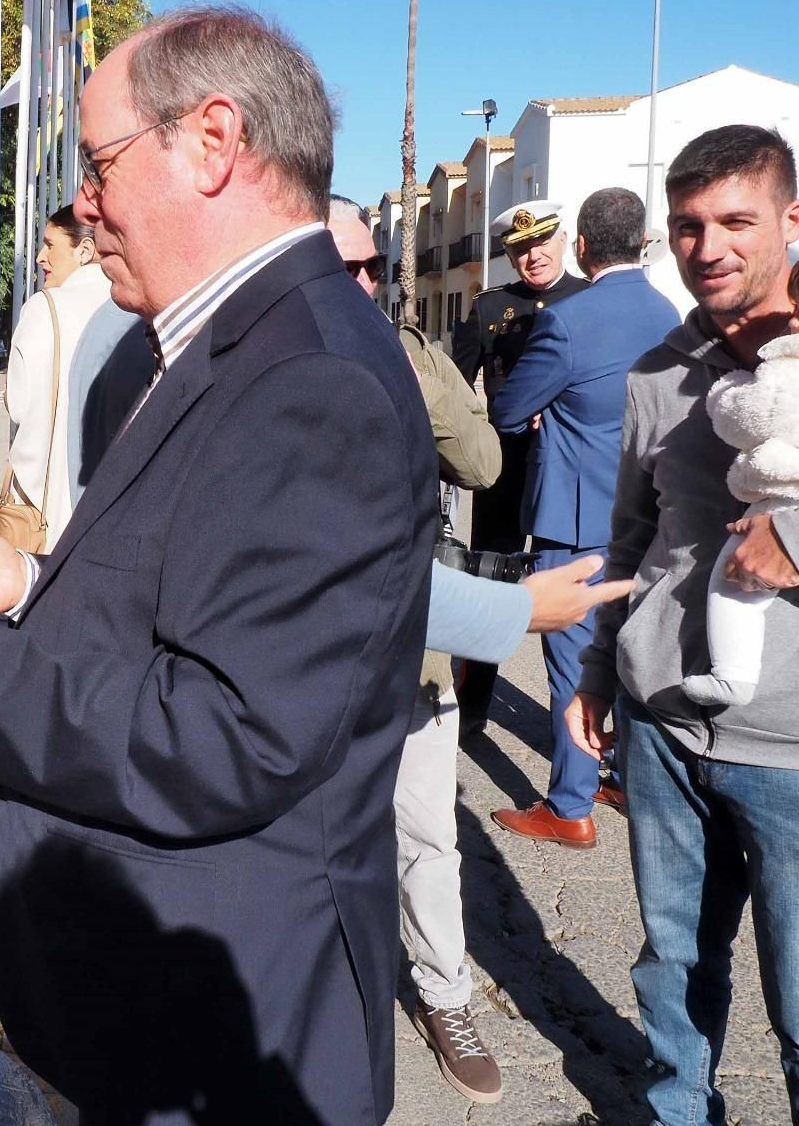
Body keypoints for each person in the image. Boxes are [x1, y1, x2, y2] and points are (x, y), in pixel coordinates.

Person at [0, 7, 436, 1125]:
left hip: (220, 1029)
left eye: (98, 164)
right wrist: (25, 588)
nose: (83, 203)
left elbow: (226, 733)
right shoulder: (216, 340)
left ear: (212, 140)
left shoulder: (307, 376)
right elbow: (190, 604)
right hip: (165, 998)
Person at [567, 124, 799, 1126]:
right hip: (662, 730)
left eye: (735, 221)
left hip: (791, 750)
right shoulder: (657, 371)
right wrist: (593, 675)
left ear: (791, 221)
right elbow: (629, 540)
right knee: (670, 969)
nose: (708, 246)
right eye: (687, 225)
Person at [332, 192, 507, 1103]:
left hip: (417, 647)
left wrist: (416, 371)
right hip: (308, 658)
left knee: (428, 834)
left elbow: (482, 464)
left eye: (371, 267)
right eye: (343, 267)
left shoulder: (413, 357)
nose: (362, 282)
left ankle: (445, 994)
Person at [485, 188, 678, 847]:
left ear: (584, 246)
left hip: (575, 518)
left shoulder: (568, 320)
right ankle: (616, 772)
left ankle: (570, 806)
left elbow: (509, 412)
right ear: (645, 241)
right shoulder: (669, 312)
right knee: (626, 657)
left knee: (573, 664)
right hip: (652, 516)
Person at [452, 200, 587, 736]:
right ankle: (474, 704)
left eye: (541, 243)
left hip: (567, 469)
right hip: (505, 471)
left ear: (563, 241)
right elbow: (458, 387)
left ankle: (579, 725)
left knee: (574, 592)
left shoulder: (588, 299)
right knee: (493, 584)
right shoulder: (490, 309)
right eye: (519, 248)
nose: (532, 256)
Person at [682, 307, 799, 707]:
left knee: (732, 583)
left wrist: (723, 393)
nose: (795, 320)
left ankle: (733, 675)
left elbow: (750, 417)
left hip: (784, 495)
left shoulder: (787, 369)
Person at [5, 206, 116, 549]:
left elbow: (19, 406)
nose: (41, 256)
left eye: (50, 245)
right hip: (110, 501)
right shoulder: (131, 307)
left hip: (46, 500)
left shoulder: (45, 307)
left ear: (84, 251)